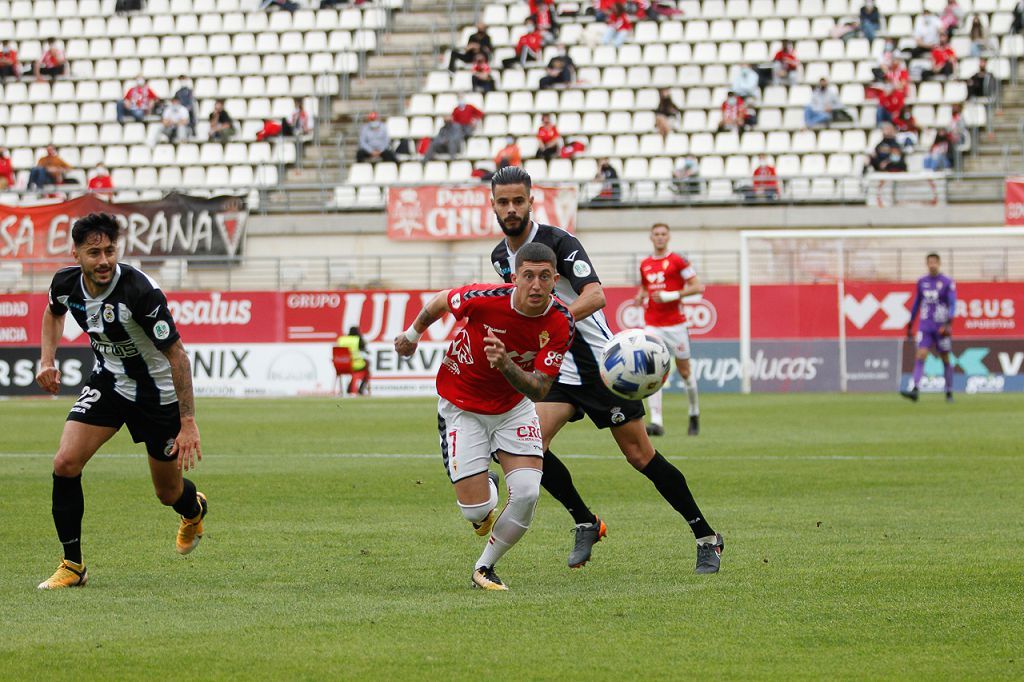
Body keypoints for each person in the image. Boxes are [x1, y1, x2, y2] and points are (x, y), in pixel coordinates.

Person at [487, 166, 725, 574]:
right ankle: (585, 521)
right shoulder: (499, 257)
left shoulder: (560, 242)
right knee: (529, 448)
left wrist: (550, 320)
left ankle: (706, 537)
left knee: (640, 455)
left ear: (531, 201)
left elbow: (595, 296)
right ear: (493, 205)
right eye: (503, 202)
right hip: (556, 368)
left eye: (518, 201)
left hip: (599, 366)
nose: (511, 209)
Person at [35, 213, 207, 589]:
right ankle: (73, 565)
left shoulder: (139, 291)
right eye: (93, 252)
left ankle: (194, 509)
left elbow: (177, 355)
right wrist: (47, 360)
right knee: (65, 463)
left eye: (110, 250)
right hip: (110, 382)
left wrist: (188, 422)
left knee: (168, 493)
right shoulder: (65, 283)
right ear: (76, 253)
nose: (104, 260)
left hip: (156, 395)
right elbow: (53, 312)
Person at [395, 239, 575, 590]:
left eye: (543, 277)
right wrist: (412, 334)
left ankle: (484, 568)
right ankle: (486, 486)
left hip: (513, 409)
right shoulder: (485, 297)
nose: (535, 285)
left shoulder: (560, 322)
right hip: (462, 407)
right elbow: (440, 301)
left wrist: (506, 364)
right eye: (528, 276)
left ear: (555, 279)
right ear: (516, 278)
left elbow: (539, 389)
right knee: (476, 513)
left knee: (526, 493)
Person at [633, 224, 704, 437]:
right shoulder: (645, 264)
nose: (660, 237)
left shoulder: (678, 261)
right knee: (652, 371)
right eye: (656, 234)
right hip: (653, 324)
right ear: (651, 237)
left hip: (676, 325)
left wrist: (671, 295)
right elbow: (646, 286)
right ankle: (656, 422)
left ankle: (694, 412)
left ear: (669, 237)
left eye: (663, 234)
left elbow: (697, 286)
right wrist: (640, 295)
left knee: (685, 372)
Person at [901, 253, 957, 402]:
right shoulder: (921, 282)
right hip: (925, 326)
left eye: (934, 262)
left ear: (939, 263)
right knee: (921, 355)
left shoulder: (947, 282)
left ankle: (949, 391)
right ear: (927, 264)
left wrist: (948, 323)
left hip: (941, 327)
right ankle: (915, 389)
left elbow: (952, 304)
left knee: (945, 357)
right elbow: (916, 304)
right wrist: (910, 323)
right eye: (930, 262)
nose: (932, 264)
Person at [336, 326, 371, 395]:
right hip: (355, 365)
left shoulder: (341, 339)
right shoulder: (358, 339)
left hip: (341, 365)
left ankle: (349, 388)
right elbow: (364, 348)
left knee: (355, 374)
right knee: (367, 367)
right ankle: (361, 389)